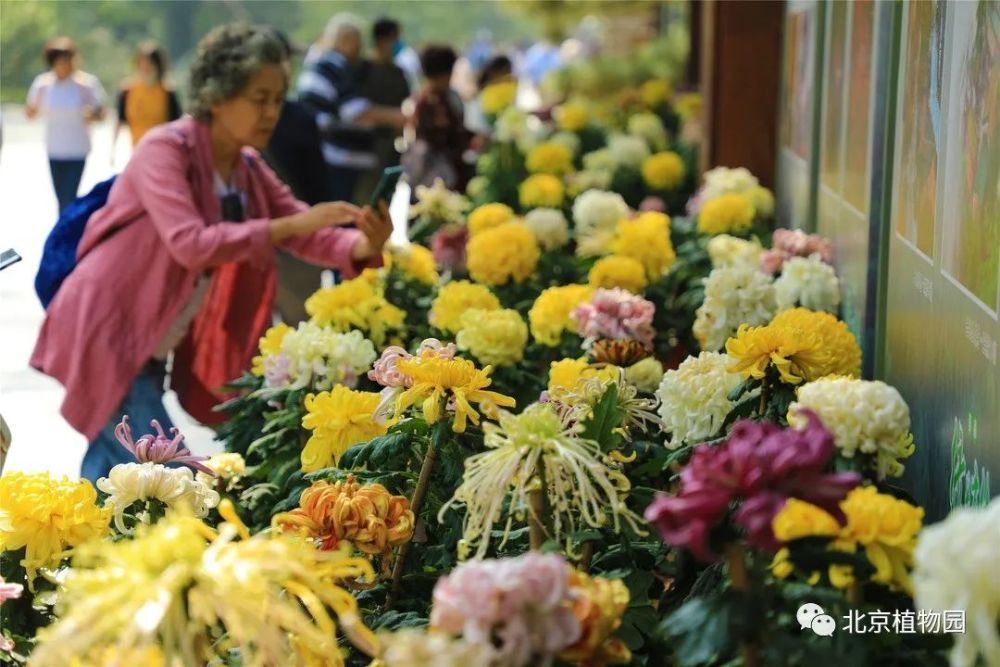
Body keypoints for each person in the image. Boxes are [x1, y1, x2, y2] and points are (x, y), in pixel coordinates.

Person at [31, 24, 392, 482]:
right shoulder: (165, 149)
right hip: (110, 327)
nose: (271, 113)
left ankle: (81, 546)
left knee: (116, 472)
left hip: (151, 339)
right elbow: (190, 242)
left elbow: (305, 232)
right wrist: (288, 225)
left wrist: (364, 243)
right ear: (218, 96)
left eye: (278, 99)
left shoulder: (245, 166)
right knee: (159, 475)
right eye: (259, 98)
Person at [297, 13, 406, 203]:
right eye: (358, 41)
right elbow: (355, 111)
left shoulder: (327, 64)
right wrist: (398, 117)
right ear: (347, 40)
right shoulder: (333, 65)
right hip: (336, 157)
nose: (360, 48)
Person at [26, 37, 108, 213]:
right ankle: (67, 234)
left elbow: (101, 113)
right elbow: (30, 113)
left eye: (69, 59)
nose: (66, 64)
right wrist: (32, 109)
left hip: (77, 150)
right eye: (61, 61)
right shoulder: (43, 84)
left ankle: (66, 236)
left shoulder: (86, 84)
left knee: (68, 198)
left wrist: (91, 115)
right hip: (54, 149)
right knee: (61, 199)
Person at [355, 17, 411, 203]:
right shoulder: (362, 70)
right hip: (365, 147)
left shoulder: (398, 73)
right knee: (365, 200)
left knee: (384, 201)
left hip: (390, 147)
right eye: (395, 38)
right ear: (382, 40)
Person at [404, 45, 472, 191]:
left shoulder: (448, 96)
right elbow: (439, 136)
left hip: (450, 170)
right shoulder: (427, 101)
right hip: (435, 175)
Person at [112, 41, 182, 156]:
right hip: (137, 152)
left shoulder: (168, 92)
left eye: (150, 63)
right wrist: (113, 151)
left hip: (162, 152)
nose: (145, 67)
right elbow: (119, 121)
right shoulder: (127, 90)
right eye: (142, 63)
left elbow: (177, 126)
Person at [465, 54, 514, 136]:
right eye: (507, 72)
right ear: (495, 73)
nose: (510, 77)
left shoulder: (504, 93)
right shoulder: (483, 96)